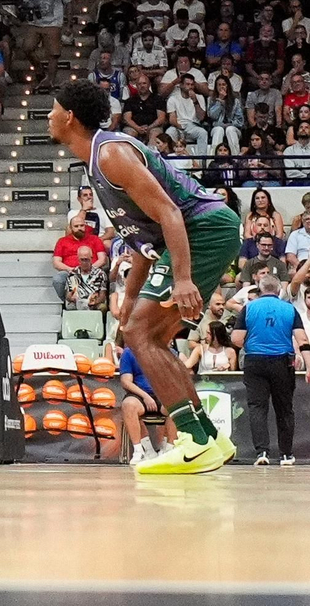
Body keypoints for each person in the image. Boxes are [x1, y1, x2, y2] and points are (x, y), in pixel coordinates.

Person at [49, 80, 243, 474]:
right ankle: (209, 438)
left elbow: (170, 213)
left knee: (141, 334)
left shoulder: (111, 154)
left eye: (53, 109)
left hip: (203, 229)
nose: (49, 116)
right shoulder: (95, 162)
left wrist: (184, 278)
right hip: (193, 234)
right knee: (145, 333)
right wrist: (130, 303)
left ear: (69, 117)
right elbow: (142, 244)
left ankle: (192, 440)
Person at [231, 273, 306, 466]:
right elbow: (303, 340)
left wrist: (253, 341)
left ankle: (262, 452)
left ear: (259, 288)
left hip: (255, 361)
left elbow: (236, 340)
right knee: (284, 408)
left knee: (257, 407)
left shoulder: (248, 308)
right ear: (279, 290)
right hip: (282, 362)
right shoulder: (289, 309)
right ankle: (286, 455)